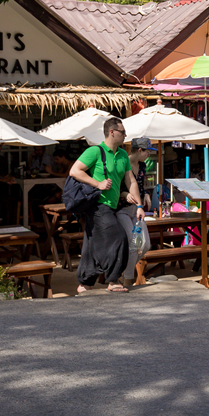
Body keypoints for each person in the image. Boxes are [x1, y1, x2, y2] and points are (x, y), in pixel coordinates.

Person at [69, 117, 141, 294]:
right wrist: (97, 184)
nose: (125, 135)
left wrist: (139, 206)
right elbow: (74, 171)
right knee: (119, 237)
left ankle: (85, 282)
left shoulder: (123, 154)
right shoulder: (95, 151)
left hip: (112, 205)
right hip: (97, 205)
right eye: (123, 132)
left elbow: (131, 180)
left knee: (92, 242)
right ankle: (113, 279)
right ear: (112, 132)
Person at [118, 137, 156, 287]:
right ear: (140, 150)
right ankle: (127, 278)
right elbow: (114, 186)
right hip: (121, 210)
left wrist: (145, 193)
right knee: (134, 244)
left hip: (136, 210)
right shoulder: (122, 162)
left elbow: (139, 187)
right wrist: (123, 194)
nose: (149, 155)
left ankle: (124, 274)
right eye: (148, 151)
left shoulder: (143, 166)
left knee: (144, 244)